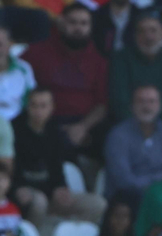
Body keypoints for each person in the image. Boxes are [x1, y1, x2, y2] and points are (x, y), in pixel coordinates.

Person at [13, 86, 105, 227]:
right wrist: (16, 187)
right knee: (40, 202)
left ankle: (62, 234)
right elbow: (10, 166)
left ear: (52, 108)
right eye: (34, 105)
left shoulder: (55, 131)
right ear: (27, 106)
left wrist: (61, 187)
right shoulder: (15, 129)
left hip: (51, 194)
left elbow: (58, 165)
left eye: (43, 106)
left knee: (97, 204)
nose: (38, 111)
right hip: (26, 192)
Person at [22, 2, 108, 151]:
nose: (78, 28)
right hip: (43, 121)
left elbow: (103, 105)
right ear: (61, 24)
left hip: (84, 123)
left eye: (84, 23)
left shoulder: (99, 61)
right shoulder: (37, 52)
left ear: (91, 27)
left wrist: (83, 127)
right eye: (73, 22)